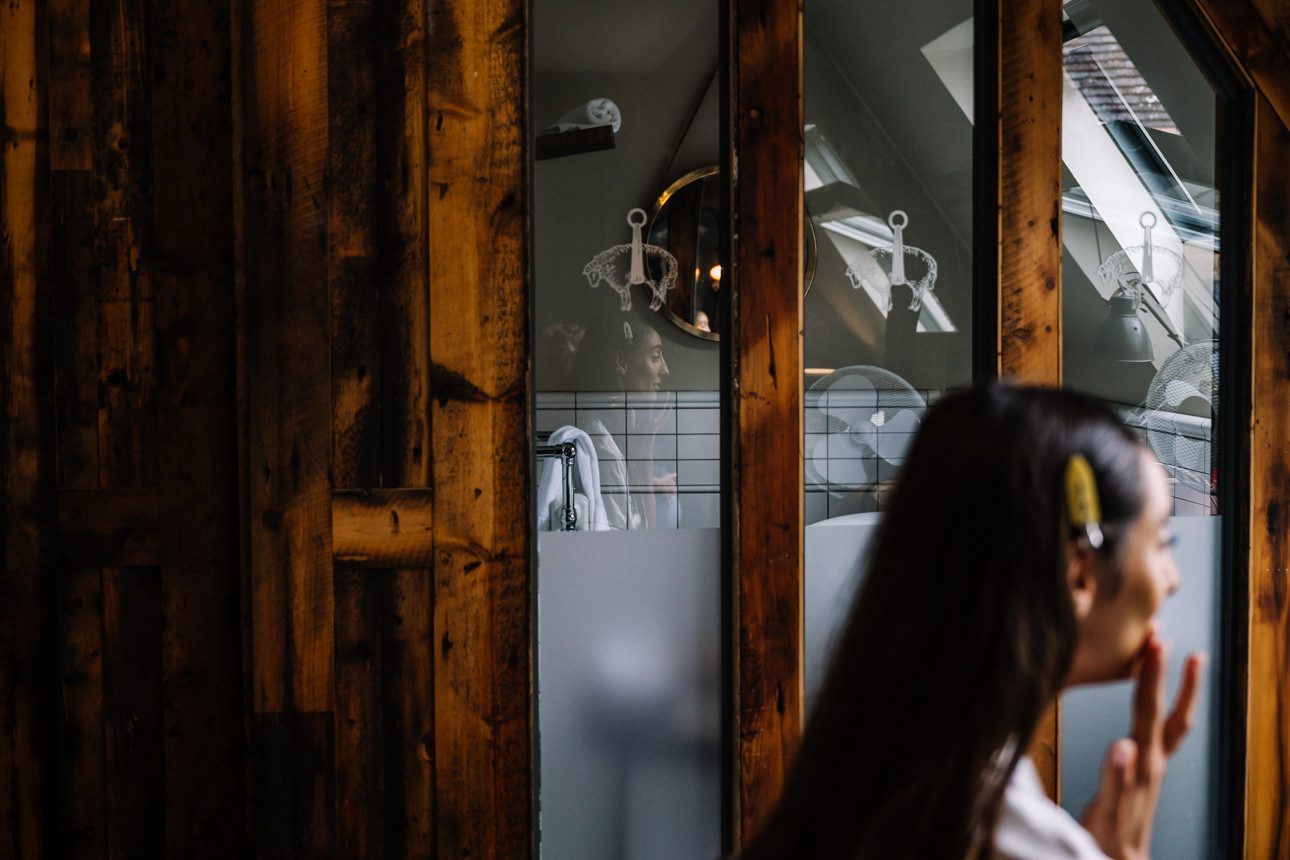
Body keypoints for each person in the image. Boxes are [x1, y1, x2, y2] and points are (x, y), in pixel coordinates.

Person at [741, 383, 1204, 860]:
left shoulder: (858, 783)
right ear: (1079, 571)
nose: (1173, 582)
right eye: (1163, 541)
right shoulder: (1013, 839)